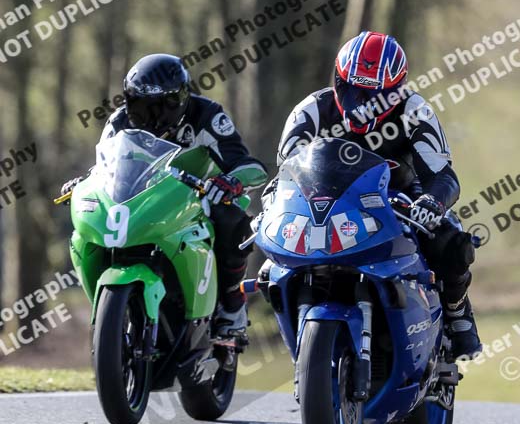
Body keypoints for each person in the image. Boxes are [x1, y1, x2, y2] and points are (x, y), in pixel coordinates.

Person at [277, 31, 482, 360]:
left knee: (452, 239)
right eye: (352, 90)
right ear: (339, 81)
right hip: (326, 201)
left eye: (374, 96)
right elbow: (285, 172)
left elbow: (443, 175)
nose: (360, 104)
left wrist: (431, 202)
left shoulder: (415, 110)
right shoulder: (311, 111)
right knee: (268, 255)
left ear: (396, 91)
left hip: (398, 197)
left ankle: (458, 314)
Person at [61, 53, 267, 338]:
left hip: (198, 198)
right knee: (86, 229)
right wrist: (85, 181)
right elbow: (104, 167)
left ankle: (232, 303)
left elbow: (249, 165)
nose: (149, 115)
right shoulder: (120, 121)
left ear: (179, 99)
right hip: (143, 201)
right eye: (140, 105)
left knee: (230, 216)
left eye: (159, 106)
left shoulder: (206, 115)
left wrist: (231, 181)